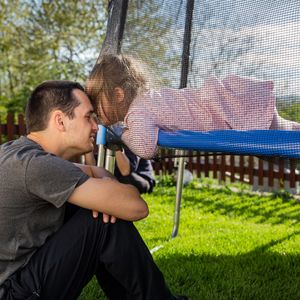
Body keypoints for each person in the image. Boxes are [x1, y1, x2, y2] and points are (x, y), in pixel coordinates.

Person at [0, 80, 188, 300]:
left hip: (17, 282)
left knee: (93, 211)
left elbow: (97, 171)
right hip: (13, 292)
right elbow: (136, 207)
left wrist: (103, 193)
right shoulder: (38, 166)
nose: (96, 127)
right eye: (88, 117)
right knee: (100, 221)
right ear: (60, 120)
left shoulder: (17, 153)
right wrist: (106, 200)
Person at [85, 53, 300, 160]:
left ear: (119, 95)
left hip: (230, 110)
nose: (95, 110)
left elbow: (145, 149)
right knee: (288, 131)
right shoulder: (148, 99)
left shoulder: (137, 112)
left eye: (97, 102)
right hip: (228, 102)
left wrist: (122, 134)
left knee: (285, 137)